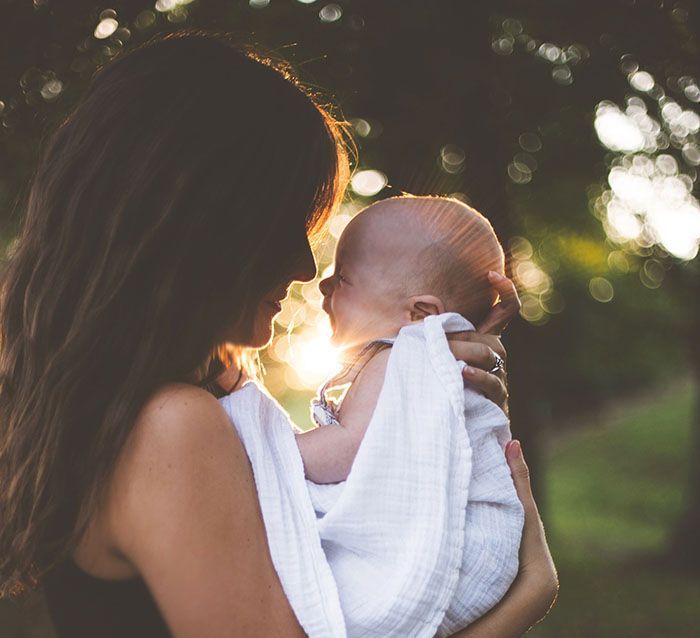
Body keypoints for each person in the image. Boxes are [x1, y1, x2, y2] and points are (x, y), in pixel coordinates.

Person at [0, 29, 557, 638]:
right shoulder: (172, 427)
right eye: (288, 225)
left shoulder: (103, 411)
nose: (305, 267)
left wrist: (428, 389)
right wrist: (525, 600)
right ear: (201, 226)